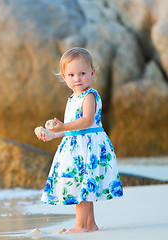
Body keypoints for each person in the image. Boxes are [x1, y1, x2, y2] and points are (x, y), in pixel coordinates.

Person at [35, 47, 123, 234]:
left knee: (83, 186)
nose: (77, 78)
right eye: (71, 74)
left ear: (92, 73)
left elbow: (87, 121)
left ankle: (81, 226)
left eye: (82, 73)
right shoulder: (72, 98)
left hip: (88, 148)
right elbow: (72, 129)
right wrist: (53, 134)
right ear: (64, 77)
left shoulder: (89, 95)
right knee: (85, 185)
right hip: (77, 145)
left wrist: (63, 127)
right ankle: (90, 224)